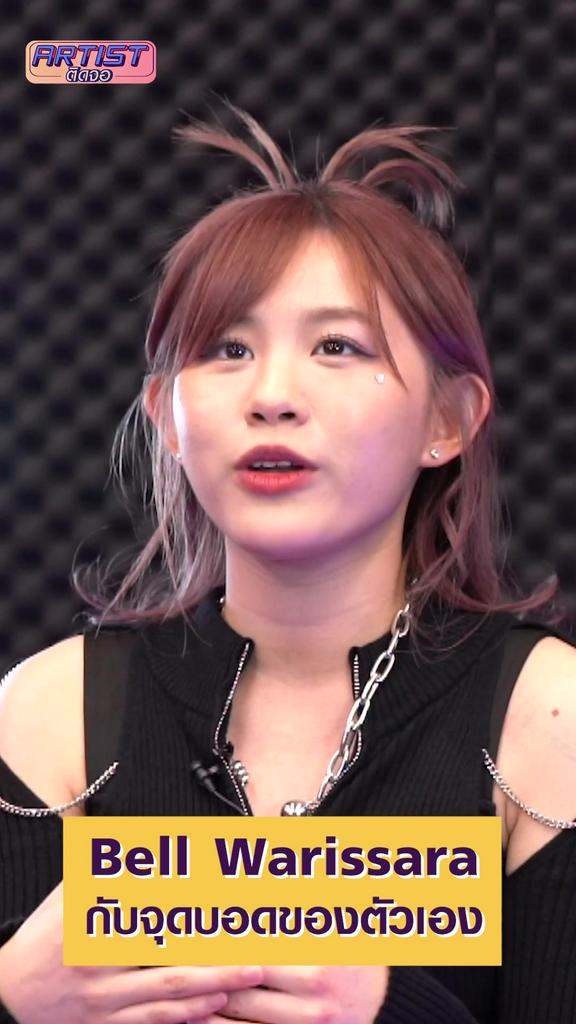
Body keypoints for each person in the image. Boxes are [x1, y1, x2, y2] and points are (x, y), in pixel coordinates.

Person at [0, 102, 575, 1024]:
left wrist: (387, 1007)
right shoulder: (48, 713)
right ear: (167, 416)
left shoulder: (551, 718)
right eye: (228, 349)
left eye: (337, 346)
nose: (271, 395)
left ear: (448, 419)